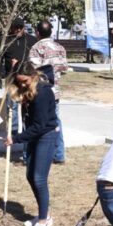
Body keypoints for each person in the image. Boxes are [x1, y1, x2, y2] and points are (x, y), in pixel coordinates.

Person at [6, 63, 61, 226]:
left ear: (33, 77)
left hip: (46, 135)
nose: (22, 85)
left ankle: (44, 222)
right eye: (19, 82)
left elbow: (40, 125)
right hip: (34, 136)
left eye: (25, 81)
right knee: (30, 176)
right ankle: (44, 214)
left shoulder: (43, 92)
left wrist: (16, 138)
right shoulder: (27, 91)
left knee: (39, 178)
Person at [29, 19, 69, 163]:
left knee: (37, 122)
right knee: (56, 121)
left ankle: (35, 154)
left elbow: (34, 71)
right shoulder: (59, 47)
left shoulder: (36, 48)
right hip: (55, 91)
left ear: (37, 33)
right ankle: (59, 154)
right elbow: (64, 69)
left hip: (41, 92)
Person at [2, 18, 37, 132]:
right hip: (12, 78)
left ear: (24, 28)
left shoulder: (31, 40)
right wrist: (1, 75)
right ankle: (13, 131)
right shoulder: (6, 41)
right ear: (11, 28)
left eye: (20, 27)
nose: (18, 30)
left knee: (28, 105)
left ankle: (27, 130)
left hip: (27, 79)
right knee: (12, 105)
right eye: (15, 27)